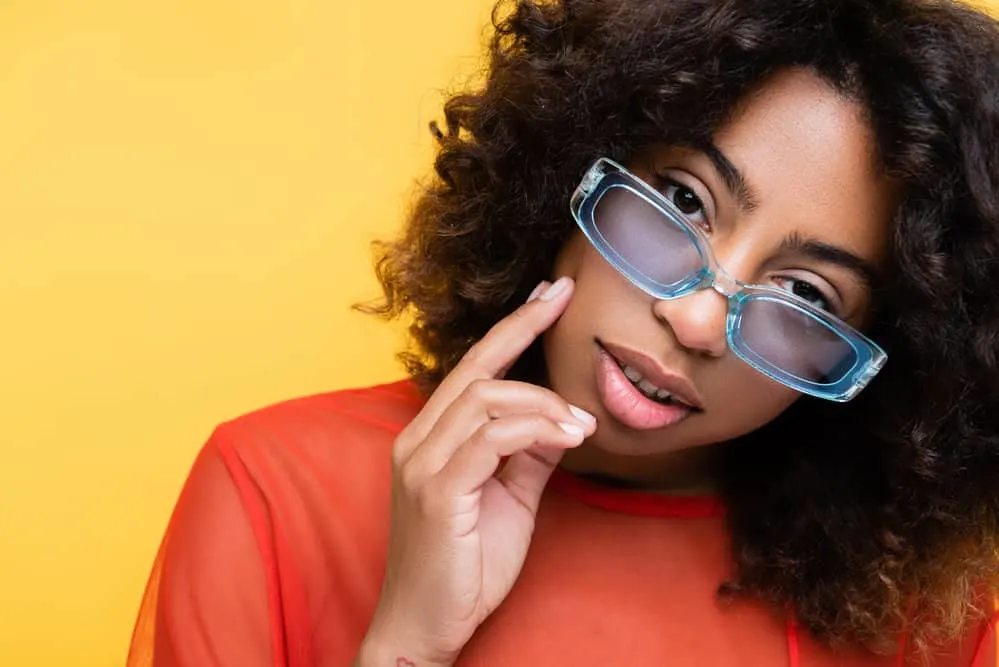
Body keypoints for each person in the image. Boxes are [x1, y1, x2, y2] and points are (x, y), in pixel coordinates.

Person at [126, 0, 999, 665]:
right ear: (566, 168)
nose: (696, 319)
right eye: (682, 202)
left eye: (805, 292)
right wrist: (408, 644)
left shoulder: (928, 607)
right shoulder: (273, 490)